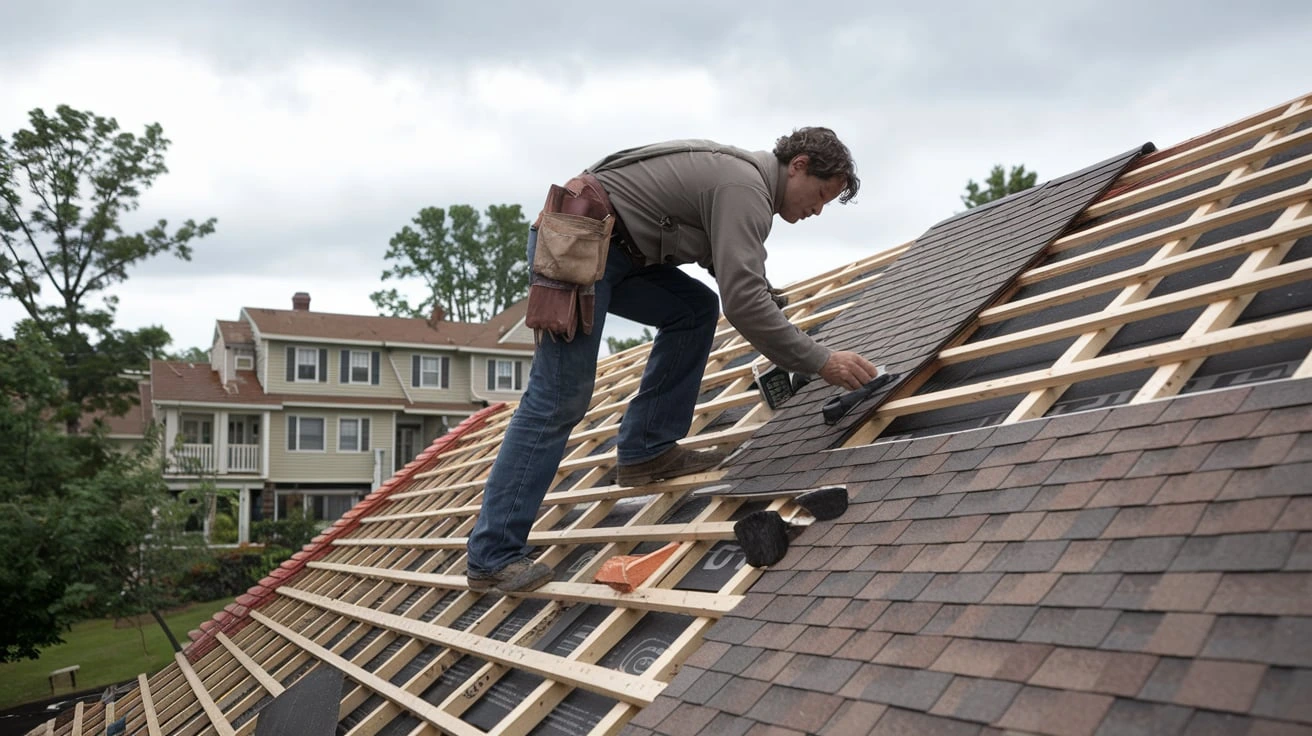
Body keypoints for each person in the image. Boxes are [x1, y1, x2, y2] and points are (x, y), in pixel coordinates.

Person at [465, 128, 883, 593]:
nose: (817, 210)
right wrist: (820, 361)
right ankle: (493, 554)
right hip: (580, 240)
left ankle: (647, 450)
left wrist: (770, 301)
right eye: (821, 194)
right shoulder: (746, 188)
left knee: (693, 310)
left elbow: (737, 271)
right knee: (558, 397)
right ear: (799, 165)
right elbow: (742, 303)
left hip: (620, 252)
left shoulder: (742, 183)